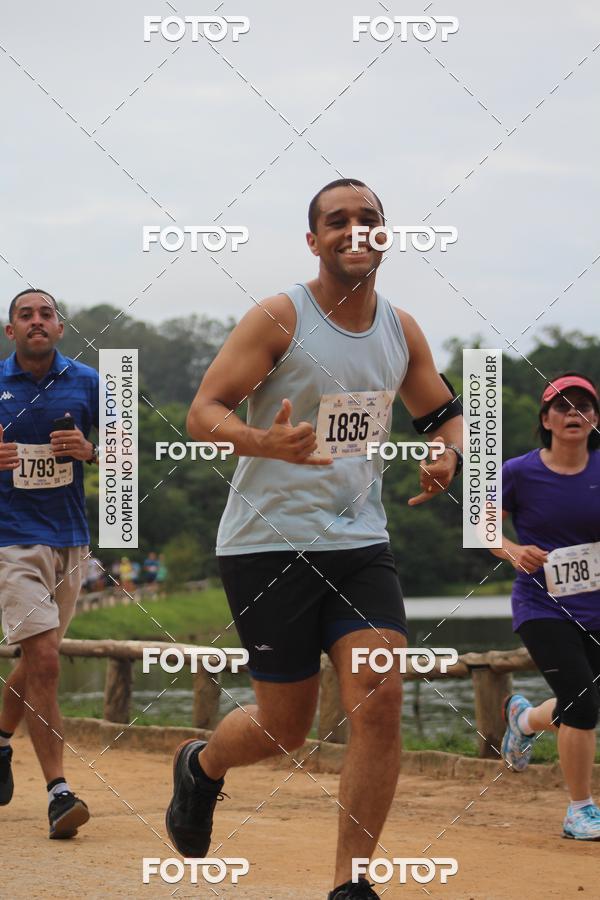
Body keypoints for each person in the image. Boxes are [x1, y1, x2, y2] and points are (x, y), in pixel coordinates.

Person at [165, 179, 464, 898]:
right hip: (266, 547)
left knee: (380, 692)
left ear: (385, 234)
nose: (355, 230)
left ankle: (351, 881)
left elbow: (444, 411)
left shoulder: (402, 329)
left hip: (359, 544)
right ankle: (201, 766)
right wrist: (262, 441)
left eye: (369, 219)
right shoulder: (280, 316)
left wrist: (448, 450)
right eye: (338, 221)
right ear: (314, 240)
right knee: (284, 728)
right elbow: (202, 413)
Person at [0, 288, 99, 838]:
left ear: (60, 328)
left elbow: (125, 457)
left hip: (70, 540)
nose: (36, 321)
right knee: (42, 656)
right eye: (25, 315)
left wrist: (89, 451)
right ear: (11, 331)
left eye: (46, 314)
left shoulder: (89, 382)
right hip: (10, 538)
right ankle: (60, 793)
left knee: (40, 660)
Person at [492, 372, 600, 841]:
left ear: (595, 418)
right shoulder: (518, 471)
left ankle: (525, 719)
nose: (573, 413)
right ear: (546, 419)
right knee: (583, 703)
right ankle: (580, 810)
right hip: (543, 604)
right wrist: (513, 550)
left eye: (583, 406)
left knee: (585, 700)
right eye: (563, 406)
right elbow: (482, 523)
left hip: (597, 607)